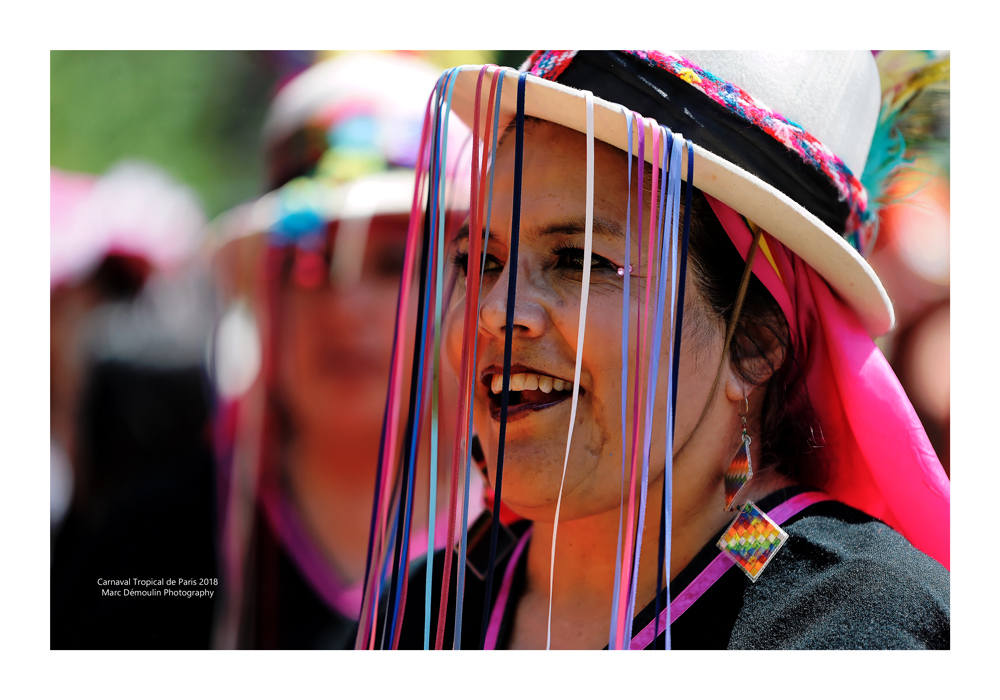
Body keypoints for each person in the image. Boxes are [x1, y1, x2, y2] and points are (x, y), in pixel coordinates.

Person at [365, 50, 950, 650]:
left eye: (580, 261)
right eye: (480, 261)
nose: (493, 310)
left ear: (754, 342)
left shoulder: (848, 626)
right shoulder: (429, 607)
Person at [210, 52, 479, 649]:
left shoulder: (551, 547)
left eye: (391, 264)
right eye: (308, 265)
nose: (343, 306)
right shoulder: (149, 551)